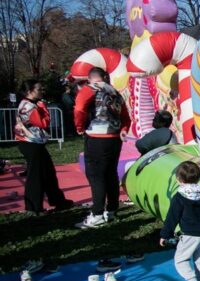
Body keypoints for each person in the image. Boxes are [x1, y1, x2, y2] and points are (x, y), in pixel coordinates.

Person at [74, 67, 130, 228]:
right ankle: (111, 210)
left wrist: (79, 127)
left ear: (89, 78)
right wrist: (124, 129)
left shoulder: (89, 89)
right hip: (115, 137)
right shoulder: (115, 92)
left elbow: (79, 108)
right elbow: (125, 115)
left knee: (96, 175)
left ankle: (97, 213)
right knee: (110, 174)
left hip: (97, 137)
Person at [13, 80, 74, 215]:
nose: (42, 91)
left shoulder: (29, 104)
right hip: (30, 143)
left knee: (48, 172)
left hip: (34, 142)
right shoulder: (29, 106)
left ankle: (58, 201)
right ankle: (33, 207)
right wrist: (44, 108)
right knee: (36, 175)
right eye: (39, 89)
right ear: (29, 91)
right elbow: (43, 123)